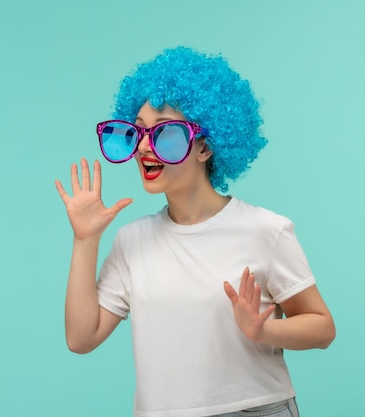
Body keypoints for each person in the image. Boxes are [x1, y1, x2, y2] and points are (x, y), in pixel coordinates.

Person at [54, 46, 335, 417]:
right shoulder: (132, 240)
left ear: (205, 146)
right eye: (137, 131)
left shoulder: (266, 230)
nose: (142, 146)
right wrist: (85, 240)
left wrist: (263, 332)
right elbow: (80, 338)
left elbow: (322, 327)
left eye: (164, 132)